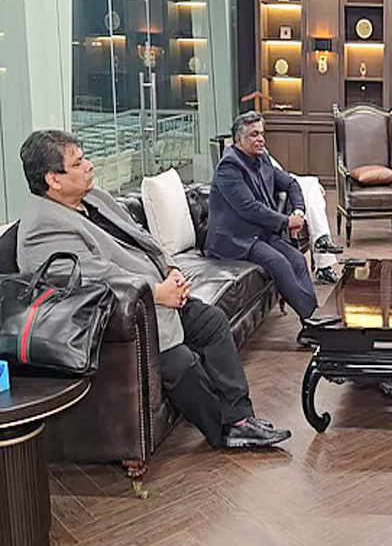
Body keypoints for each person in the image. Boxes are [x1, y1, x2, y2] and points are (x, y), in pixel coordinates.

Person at [16, 130, 290, 449]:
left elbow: (142, 237)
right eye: (78, 163)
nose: (89, 165)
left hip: (160, 297)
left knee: (212, 322)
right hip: (129, 321)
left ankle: (241, 419)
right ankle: (223, 432)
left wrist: (171, 269)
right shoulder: (43, 229)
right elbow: (98, 279)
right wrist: (158, 293)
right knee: (182, 365)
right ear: (53, 179)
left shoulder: (94, 198)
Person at [205, 111, 318, 333]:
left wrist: (298, 212)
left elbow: (291, 184)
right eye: (254, 135)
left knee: (297, 259)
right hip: (235, 238)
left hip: (261, 232)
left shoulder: (262, 158)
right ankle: (314, 321)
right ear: (239, 139)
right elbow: (249, 208)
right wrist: (287, 222)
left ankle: (313, 319)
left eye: (262, 134)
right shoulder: (229, 167)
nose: (261, 139)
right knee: (279, 263)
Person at [266, 151, 343, 284]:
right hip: (275, 189)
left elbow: (281, 175)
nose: (261, 140)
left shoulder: (259, 150)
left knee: (312, 184)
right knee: (311, 186)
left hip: (280, 180)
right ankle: (323, 262)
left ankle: (322, 243)